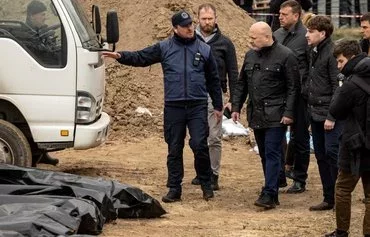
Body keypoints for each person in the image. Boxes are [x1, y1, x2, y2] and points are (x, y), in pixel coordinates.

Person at [103, 10, 223, 203]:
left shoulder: (204, 49)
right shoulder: (164, 47)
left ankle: (206, 184)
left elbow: (213, 79)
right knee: (174, 148)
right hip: (174, 106)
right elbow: (141, 57)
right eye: (185, 26)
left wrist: (218, 106)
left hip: (197, 105)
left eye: (191, 24)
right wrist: (120, 55)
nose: (190, 28)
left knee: (200, 145)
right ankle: (174, 188)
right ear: (175, 28)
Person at [231, 21, 299, 209]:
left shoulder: (286, 56)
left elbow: (294, 88)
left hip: (277, 114)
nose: (250, 40)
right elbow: (242, 83)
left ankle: (269, 192)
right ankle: (274, 186)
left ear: (267, 37)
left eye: (254, 37)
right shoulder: (250, 56)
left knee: (271, 152)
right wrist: (236, 106)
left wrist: (289, 113)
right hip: (257, 113)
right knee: (265, 154)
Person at [190, 3, 238, 190]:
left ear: (216, 19)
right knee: (197, 137)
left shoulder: (225, 43)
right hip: (193, 94)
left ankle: (213, 174)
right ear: (198, 19)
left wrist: (234, 99)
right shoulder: (189, 40)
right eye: (204, 19)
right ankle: (202, 172)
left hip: (214, 94)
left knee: (214, 136)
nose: (207, 22)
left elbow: (233, 73)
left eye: (210, 19)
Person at [325, 40, 370, 237]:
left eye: (340, 61)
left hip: (354, 145)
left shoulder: (351, 84)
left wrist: (341, 87)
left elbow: (336, 110)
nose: (338, 66)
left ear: (351, 58)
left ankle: (341, 232)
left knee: (343, 188)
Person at [304, 16, 342, 211]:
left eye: (310, 31)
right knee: (320, 155)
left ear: (322, 33)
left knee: (331, 154)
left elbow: (337, 87)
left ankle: (338, 197)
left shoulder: (332, 53)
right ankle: (329, 198)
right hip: (316, 113)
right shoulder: (314, 51)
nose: (307, 35)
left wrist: (332, 116)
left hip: (329, 115)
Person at [274, 0, 310, 193]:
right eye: (280, 13)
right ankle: (279, 175)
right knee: (277, 136)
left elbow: (311, 67)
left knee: (300, 138)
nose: (280, 17)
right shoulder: (276, 35)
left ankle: (300, 178)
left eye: (284, 14)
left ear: (296, 16)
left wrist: (305, 90)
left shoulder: (306, 37)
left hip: (300, 96)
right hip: (278, 94)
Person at [26, 0, 59, 166]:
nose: (44, 17)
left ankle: (43, 154)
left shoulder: (40, 29)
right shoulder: (27, 32)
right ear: (32, 16)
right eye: (41, 14)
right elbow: (35, 48)